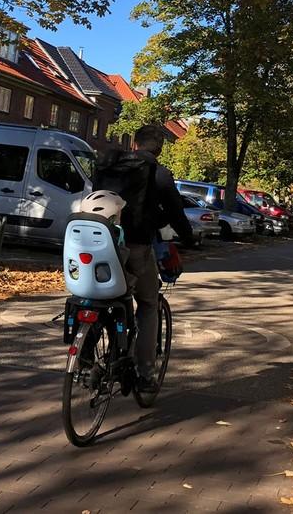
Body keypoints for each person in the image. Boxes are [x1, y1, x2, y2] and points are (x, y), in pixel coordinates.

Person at [124, 123, 194, 392]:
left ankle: (86, 354)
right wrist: (187, 239)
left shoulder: (109, 167)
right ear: (160, 149)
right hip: (137, 245)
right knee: (148, 303)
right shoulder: (160, 174)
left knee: (103, 298)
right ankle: (145, 375)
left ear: (134, 144)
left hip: (100, 242)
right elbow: (177, 213)